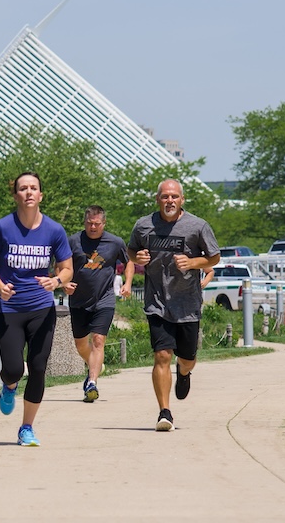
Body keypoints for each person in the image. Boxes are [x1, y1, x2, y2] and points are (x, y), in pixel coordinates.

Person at [0, 172, 73, 447]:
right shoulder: (2, 228)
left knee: (38, 367)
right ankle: (9, 386)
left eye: (34, 188)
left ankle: (26, 428)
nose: (29, 192)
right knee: (12, 369)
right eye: (23, 188)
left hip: (41, 309)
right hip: (9, 309)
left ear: (41, 195)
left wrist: (56, 281)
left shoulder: (54, 230)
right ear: (16, 195)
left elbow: (67, 268)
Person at [128, 179, 220, 432]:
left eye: (174, 196)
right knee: (162, 355)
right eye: (165, 196)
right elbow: (132, 250)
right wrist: (138, 257)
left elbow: (214, 257)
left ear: (182, 200)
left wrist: (193, 263)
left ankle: (184, 372)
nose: (170, 200)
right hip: (157, 302)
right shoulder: (144, 225)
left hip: (188, 303)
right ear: (157, 199)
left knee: (187, 358)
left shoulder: (197, 226)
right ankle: (164, 412)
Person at [63, 205, 134, 403]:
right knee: (80, 344)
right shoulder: (73, 241)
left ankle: (92, 382)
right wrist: (64, 283)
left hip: (104, 299)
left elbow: (129, 262)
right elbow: (61, 265)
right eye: (89, 223)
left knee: (98, 340)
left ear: (104, 223)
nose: (92, 227)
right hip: (78, 301)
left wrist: (128, 283)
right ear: (84, 222)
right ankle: (94, 364)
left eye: (96, 224)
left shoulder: (115, 242)